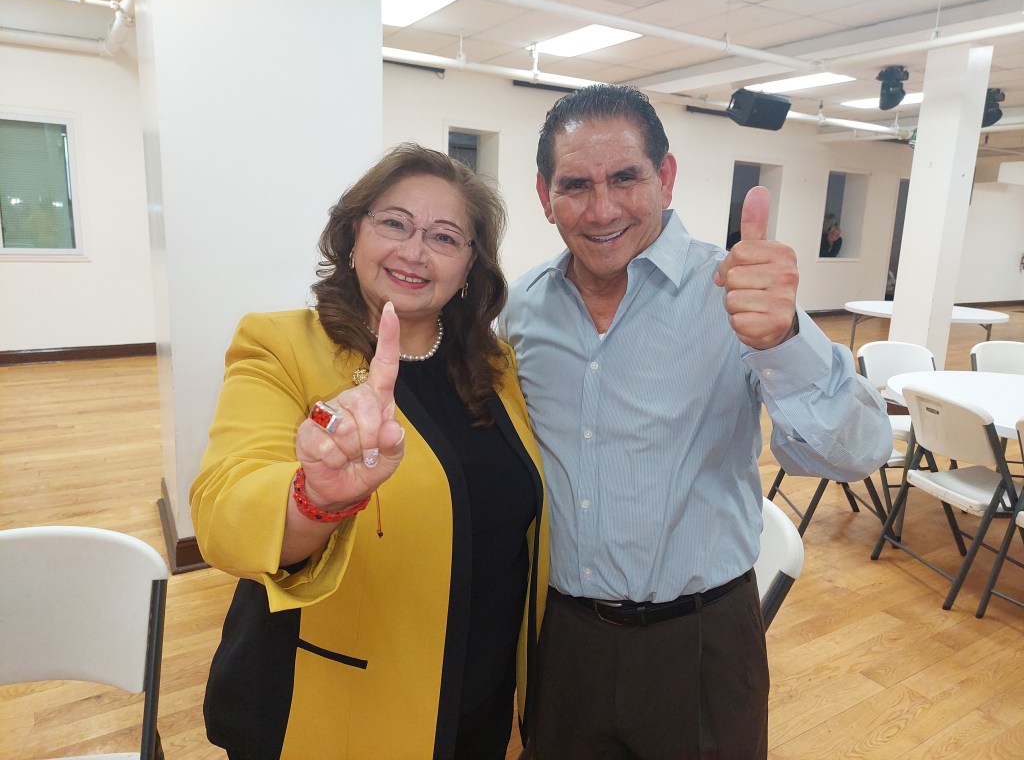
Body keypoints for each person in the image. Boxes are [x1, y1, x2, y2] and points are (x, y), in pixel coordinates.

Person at [498, 84, 891, 759]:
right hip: (562, 640)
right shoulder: (524, 308)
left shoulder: (736, 295)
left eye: (626, 178)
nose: (601, 209)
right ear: (545, 194)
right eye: (576, 185)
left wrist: (785, 344)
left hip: (702, 644)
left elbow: (858, 453)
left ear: (666, 177)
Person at [191, 143, 548, 760]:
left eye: (444, 236)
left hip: (477, 703)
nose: (414, 251)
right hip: (339, 710)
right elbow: (224, 511)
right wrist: (316, 499)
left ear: (470, 265)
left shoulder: (494, 365)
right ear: (352, 234)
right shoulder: (279, 344)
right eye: (394, 223)